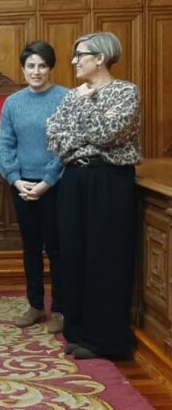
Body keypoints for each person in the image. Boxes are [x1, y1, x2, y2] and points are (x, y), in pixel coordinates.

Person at [46, 32, 141, 359]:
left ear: (100, 57)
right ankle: (80, 331)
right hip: (74, 179)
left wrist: (83, 120)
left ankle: (105, 339)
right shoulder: (71, 96)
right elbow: (55, 139)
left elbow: (109, 133)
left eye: (80, 55)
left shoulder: (125, 92)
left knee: (106, 257)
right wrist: (84, 132)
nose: (73, 61)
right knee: (74, 254)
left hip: (109, 180)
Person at [0, 41, 67, 333]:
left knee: (57, 248)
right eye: (30, 66)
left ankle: (61, 308)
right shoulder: (14, 102)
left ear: (50, 68)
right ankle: (35, 305)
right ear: (23, 69)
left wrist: (47, 182)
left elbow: (66, 145)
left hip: (55, 185)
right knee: (30, 248)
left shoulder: (65, 97)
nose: (36, 71)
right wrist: (15, 178)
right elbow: (5, 142)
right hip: (22, 185)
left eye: (42, 65)